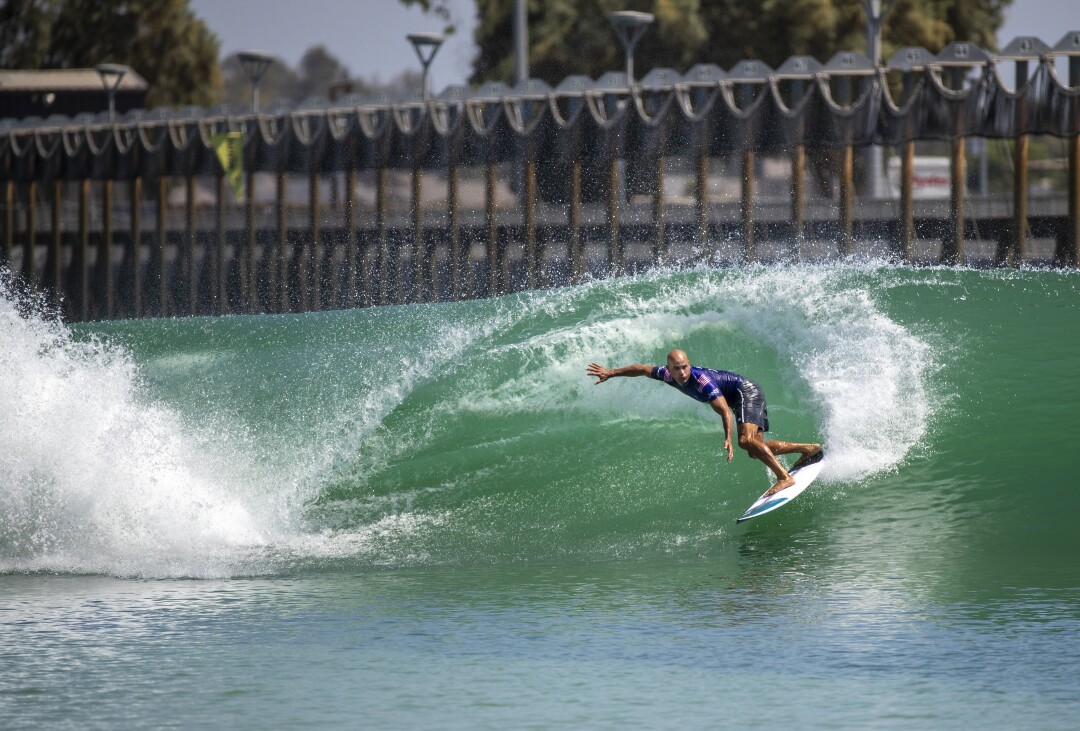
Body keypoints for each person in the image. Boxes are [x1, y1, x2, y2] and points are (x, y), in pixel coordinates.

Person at [587, 349, 821, 497]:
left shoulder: (703, 382)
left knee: (745, 441)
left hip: (745, 392)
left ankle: (784, 478)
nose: (682, 372)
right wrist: (612, 372)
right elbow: (642, 369)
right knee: (753, 450)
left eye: (685, 366)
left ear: (690, 364)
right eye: (677, 368)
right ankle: (809, 449)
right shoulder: (665, 374)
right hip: (740, 396)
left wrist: (728, 438)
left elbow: (723, 411)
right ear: (669, 369)